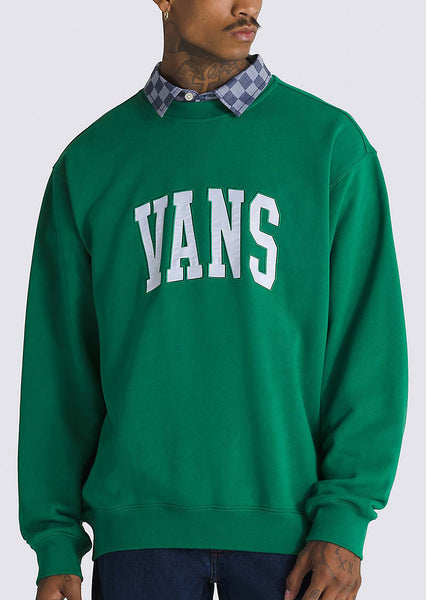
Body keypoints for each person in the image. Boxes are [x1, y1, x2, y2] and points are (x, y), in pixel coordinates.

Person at [17, 1, 409, 599]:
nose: (247, 5)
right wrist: (54, 543)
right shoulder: (90, 162)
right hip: (137, 542)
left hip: (294, 543)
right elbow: (59, 373)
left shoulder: (330, 147)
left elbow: (369, 350)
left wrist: (345, 519)